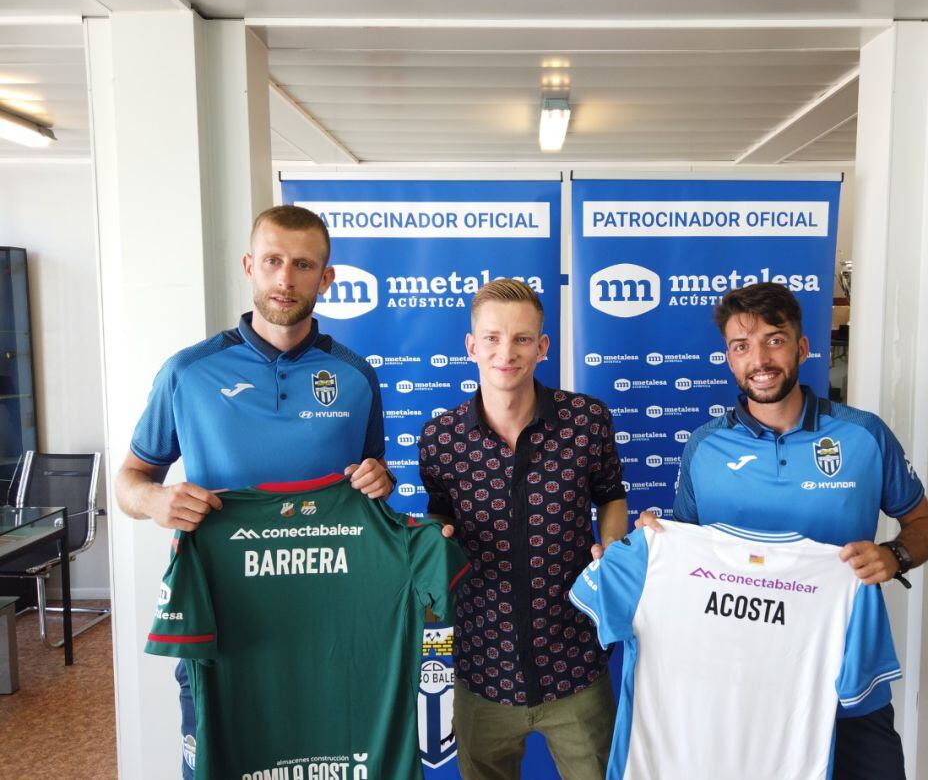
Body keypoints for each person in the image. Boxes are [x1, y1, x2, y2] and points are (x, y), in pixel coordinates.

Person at [115, 204, 396, 779]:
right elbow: (128, 482)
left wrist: (379, 482)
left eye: (303, 264)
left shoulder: (356, 376)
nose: (285, 279)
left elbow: (370, 487)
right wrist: (156, 501)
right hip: (222, 619)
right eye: (272, 261)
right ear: (250, 266)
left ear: (327, 278)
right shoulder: (188, 372)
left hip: (330, 629)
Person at [638, 281, 928, 780]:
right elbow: (687, 558)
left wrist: (895, 557)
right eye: (742, 346)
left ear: (801, 347)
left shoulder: (864, 435)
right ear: (730, 359)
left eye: (774, 340)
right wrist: (656, 540)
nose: (759, 359)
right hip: (739, 681)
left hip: (848, 674)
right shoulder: (704, 447)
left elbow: (925, 525)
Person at [418, 279, 628, 780]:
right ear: (472, 347)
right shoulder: (440, 438)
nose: (505, 352)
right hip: (481, 670)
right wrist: (434, 541)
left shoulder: (587, 421)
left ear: (542, 346)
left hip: (577, 664)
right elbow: (438, 514)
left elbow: (611, 496)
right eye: (491, 338)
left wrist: (613, 553)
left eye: (521, 338)